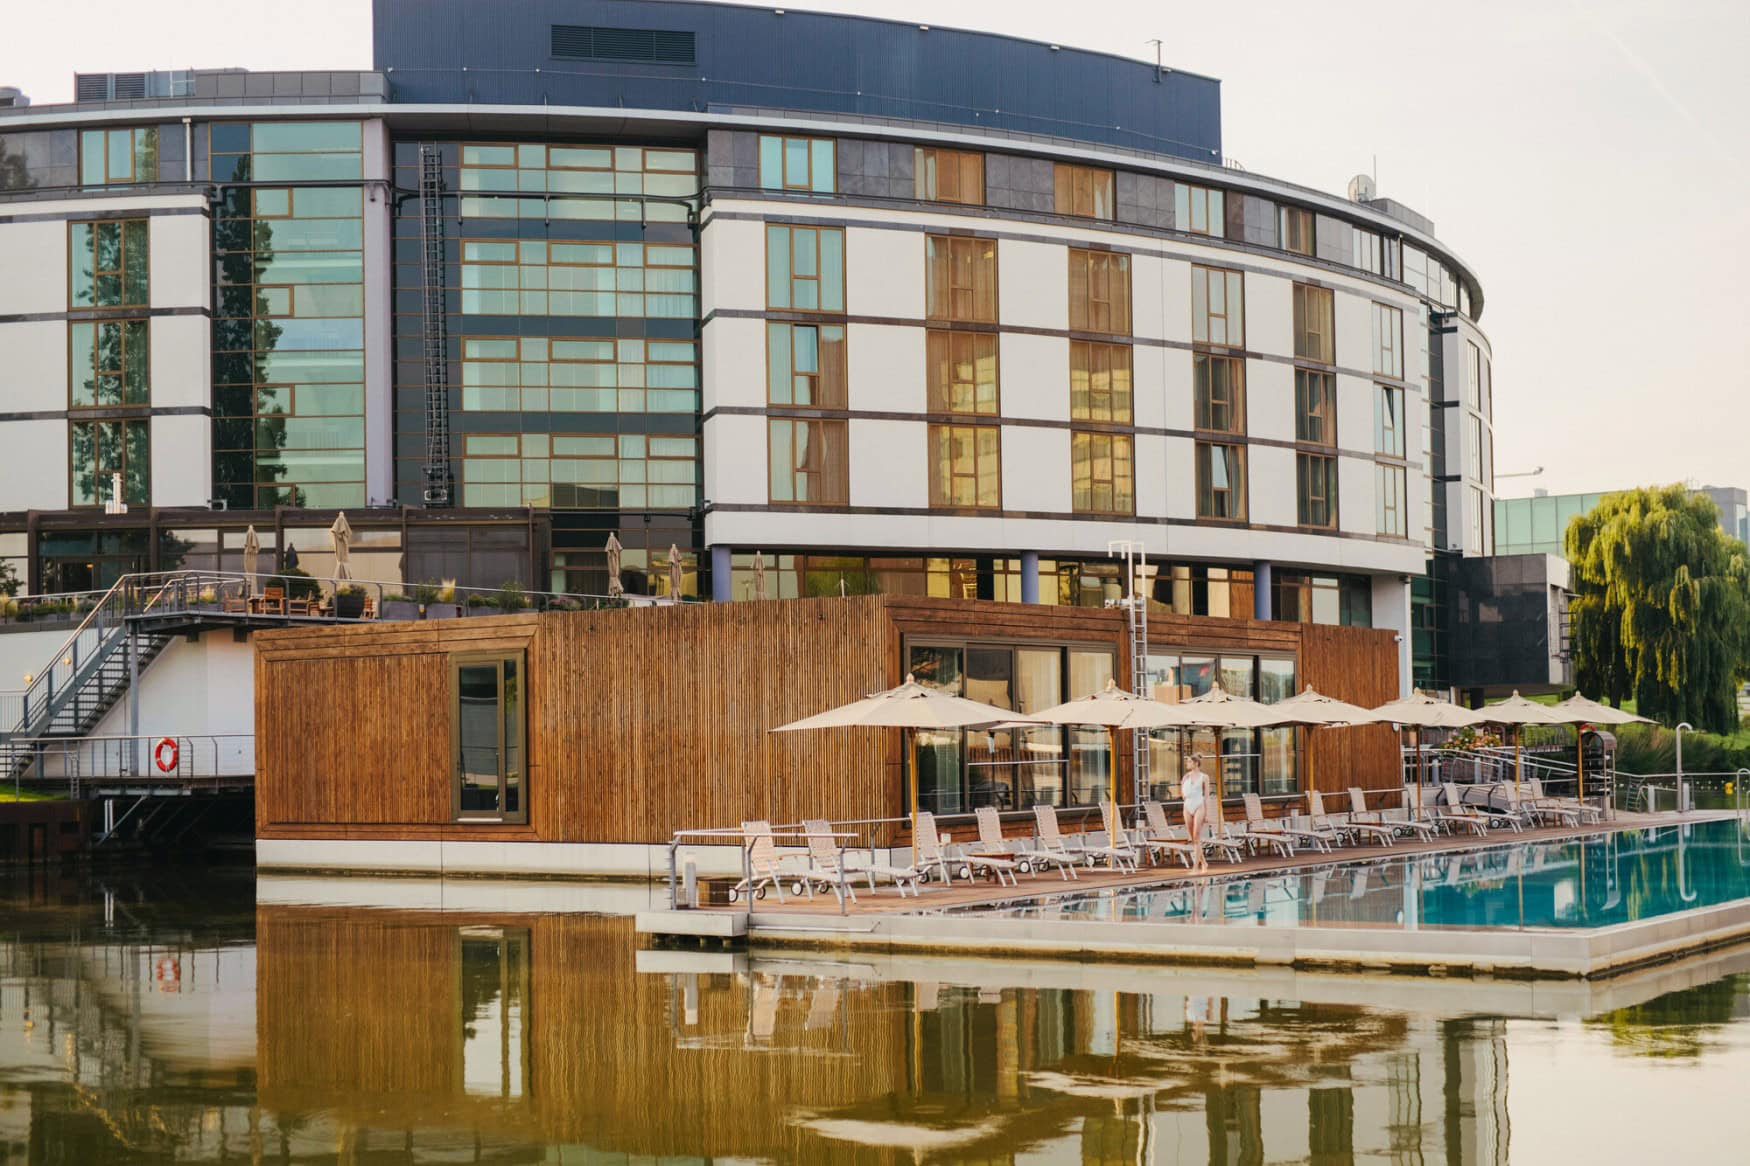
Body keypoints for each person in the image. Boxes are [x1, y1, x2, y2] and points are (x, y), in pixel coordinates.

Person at [1180, 754, 1211, 873]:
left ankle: (1195, 867)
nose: (1187, 764)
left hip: (1199, 805)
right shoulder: (1186, 777)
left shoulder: (1204, 777)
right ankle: (1204, 863)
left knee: (1196, 836)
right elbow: (1183, 794)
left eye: (1189, 762)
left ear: (1196, 763)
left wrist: (1207, 813)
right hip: (1188, 805)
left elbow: (1206, 796)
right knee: (1193, 838)